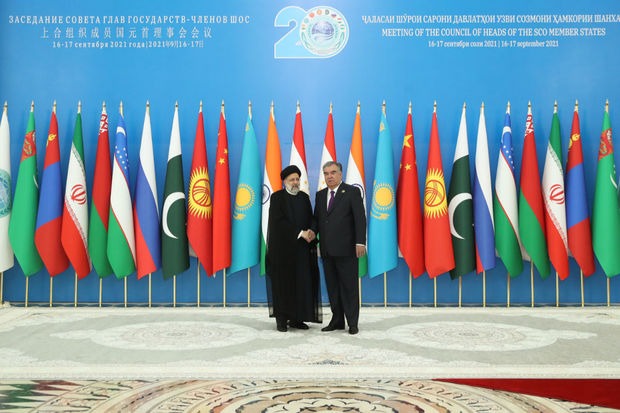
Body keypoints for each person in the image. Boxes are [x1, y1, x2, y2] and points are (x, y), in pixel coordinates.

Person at [312, 161, 366, 335]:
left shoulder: (351, 192)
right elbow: (317, 219)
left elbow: (360, 218)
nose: (330, 176)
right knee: (333, 288)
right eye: (326, 173)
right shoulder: (320, 195)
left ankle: (352, 323)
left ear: (341, 174)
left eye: (333, 172)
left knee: (349, 288)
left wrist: (360, 242)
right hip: (327, 250)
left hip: (347, 250)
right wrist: (312, 231)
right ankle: (337, 321)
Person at [265, 165, 322, 332]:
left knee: (301, 283)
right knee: (284, 285)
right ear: (285, 181)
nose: (295, 182)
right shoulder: (277, 198)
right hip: (283, 252)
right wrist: (299, 233)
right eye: (292, 180)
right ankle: (282, 320)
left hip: (302, 251)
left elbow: (311, 218)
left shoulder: (304, 197)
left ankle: (297, 318)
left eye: (297, 179)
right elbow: (278, 223)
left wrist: (311, 231)